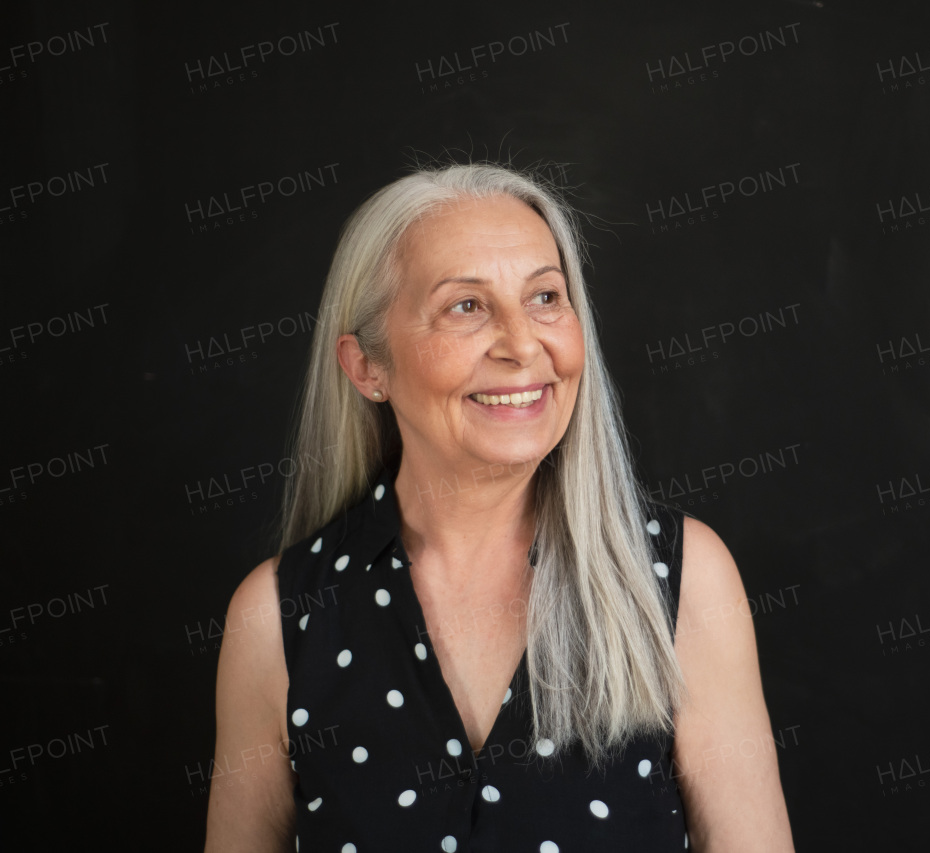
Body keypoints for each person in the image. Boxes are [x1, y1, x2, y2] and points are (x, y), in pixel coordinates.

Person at [203, 163, 794, 852]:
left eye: (545, 297)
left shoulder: (682, 581)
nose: (522, 344)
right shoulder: (277, 620)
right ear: (368, 366)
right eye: (466, 306)